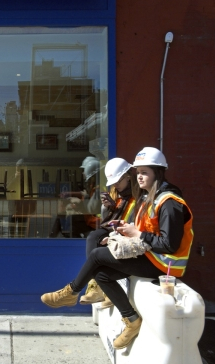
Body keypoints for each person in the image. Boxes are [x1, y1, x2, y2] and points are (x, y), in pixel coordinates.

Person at [41, 147, 194, 350]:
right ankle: (131, 320)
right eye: (137, 172)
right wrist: (122, 236)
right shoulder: (152, 196)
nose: (139, 177)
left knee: (97, 256)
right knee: (103, 274)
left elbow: (169, 245)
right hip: (151, 256)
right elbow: (147, 232)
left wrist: (137, 234)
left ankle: (71, 292)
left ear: (158, 172)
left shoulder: (169, 203)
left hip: (163, 265)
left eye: (144, 172)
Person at [80, 157, 137, 306]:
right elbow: (105, 221)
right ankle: (95, 286)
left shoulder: (139, 195)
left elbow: (136, 223)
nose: (116, 185)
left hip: (129, 233)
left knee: (100, 251)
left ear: (128, 176)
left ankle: (105, 290)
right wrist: (107, 208)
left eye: (118, 181)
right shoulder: (115, 192)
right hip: (115, 229)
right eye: (114, 182)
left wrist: (115, 236)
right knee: (93, 237)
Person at [49, 157, 101, 238]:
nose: (83, 173)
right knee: (62, 214)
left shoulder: (98, 189)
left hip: (93, 223)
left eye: (84, 170)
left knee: (71, 218)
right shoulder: (92, 186)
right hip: (89, 220)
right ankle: (53, 236)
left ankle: (60, 238)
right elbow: (85, 194)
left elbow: (91, 209)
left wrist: (79, 204)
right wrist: (70, 194)